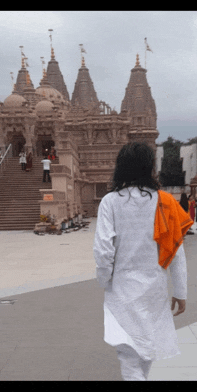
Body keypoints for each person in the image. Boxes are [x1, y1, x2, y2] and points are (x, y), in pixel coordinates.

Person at [93, 142, 193, 381]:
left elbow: (103, 249)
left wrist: (105, 279)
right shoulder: (165, 201)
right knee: (146, 347)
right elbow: (176, 251)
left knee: (128, 354)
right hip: (154, 289)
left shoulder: (111, 202)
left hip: (122, 288)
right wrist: (180, 291)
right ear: (150, 168)